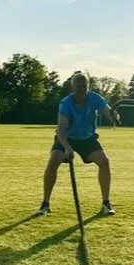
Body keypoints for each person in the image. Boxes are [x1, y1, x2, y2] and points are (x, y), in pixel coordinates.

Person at [36, 71, 120, 218]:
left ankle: (106, 203)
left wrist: (113, 116)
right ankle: (45, 204)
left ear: (88, 86)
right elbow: (61, 128)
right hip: (66, 138)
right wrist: (67, 147)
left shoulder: (94, 98)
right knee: (53, 161)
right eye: (78, 86)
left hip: (87, 138)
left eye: (84, 86)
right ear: (72, 86)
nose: (81, 89)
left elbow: (107, 111)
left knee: (104, 161)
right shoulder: (66, 103)